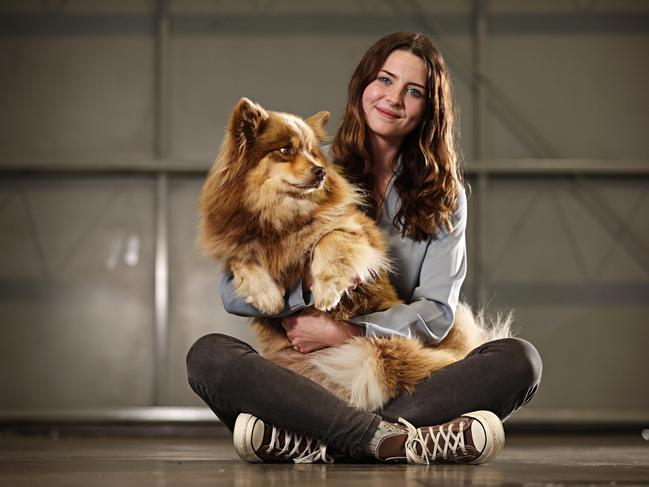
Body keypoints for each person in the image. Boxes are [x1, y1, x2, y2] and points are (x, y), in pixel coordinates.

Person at [186, 32, 542, 465]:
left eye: (414, 92)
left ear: (430, 110)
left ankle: (322, 440)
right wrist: (306, 299)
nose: (394, 98)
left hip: (398, 371)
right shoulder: (313, 168)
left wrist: (353, 331)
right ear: (363, 85)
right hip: (307, 369)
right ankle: (401, 442)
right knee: (210, 358)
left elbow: (437, 312)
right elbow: (232, 292)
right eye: (385, 80)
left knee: (518, 360)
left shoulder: (447, 197)